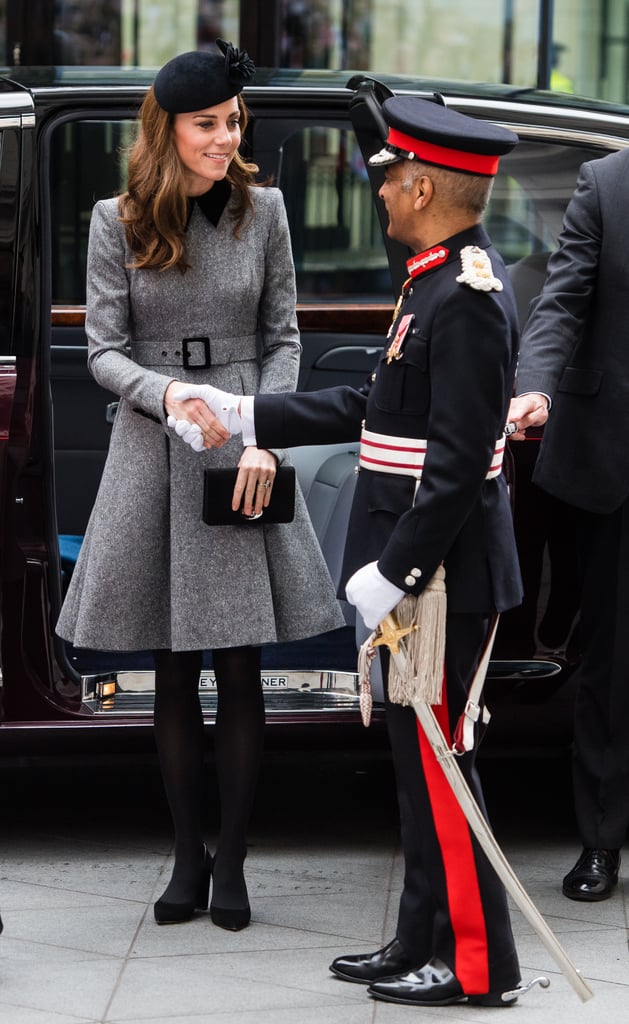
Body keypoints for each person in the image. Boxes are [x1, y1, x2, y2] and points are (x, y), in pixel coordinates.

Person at [171, 97, 524, 1006]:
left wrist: (393, 572)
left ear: (421, 183)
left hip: (443, 575)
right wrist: (250, 413)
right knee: (414, 767)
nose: (381, 195)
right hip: (419, 570)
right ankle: (417, 940)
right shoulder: (431, 281)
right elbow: (373, 403)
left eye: (388, 180)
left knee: (445, 769)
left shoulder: (469, 298)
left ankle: (477, 966)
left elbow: (454, 470)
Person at [55, 40, 344, 931]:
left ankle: (236, 862)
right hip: (153, 446)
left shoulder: (265, 211)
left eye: (231, 122)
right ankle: (188, 854)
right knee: (171, 671)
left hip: (242, 440)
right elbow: (103, 351)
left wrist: (264, 431)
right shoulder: (119, 217)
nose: (225, 138)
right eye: (207, 125)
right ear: (168, 128)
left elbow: (284, 334)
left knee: (241, 664)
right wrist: (169, 390)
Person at [507, 148, 629, 902]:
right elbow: (559, 303)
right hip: (613, 463)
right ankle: (600, 840)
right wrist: (535, 389)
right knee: (610, 665)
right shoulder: (605, 185)